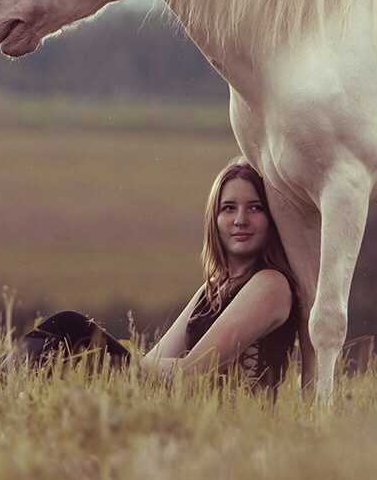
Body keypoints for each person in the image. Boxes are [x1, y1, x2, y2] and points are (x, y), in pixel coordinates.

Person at [18, 157, 300, 394]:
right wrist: (101, 362)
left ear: (273, 218)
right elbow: (154, 363)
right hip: (178, 404)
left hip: (228, 425)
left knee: (71, 328)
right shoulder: (211, 290)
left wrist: (97, 357)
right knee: (66, 335)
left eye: (255, 208)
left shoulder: (271, 284)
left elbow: (194, 372)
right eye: (229, 208)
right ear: (213, 218)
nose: (241, 220)